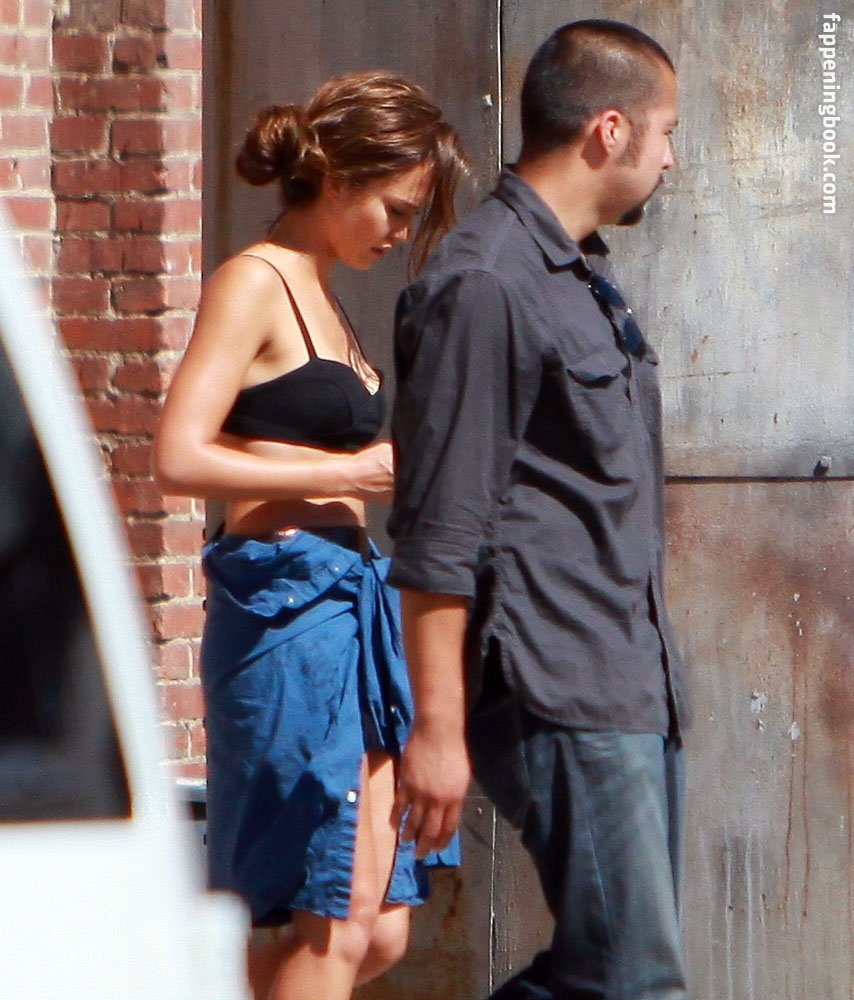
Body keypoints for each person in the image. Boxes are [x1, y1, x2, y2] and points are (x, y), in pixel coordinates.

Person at [388, 20, 691, 1000]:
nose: (670, 158)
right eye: (665, 132)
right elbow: (438, 525)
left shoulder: (578, 271)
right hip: (556, 680)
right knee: (632, 981)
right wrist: (438, 728)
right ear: (609, 130)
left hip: (624, 676)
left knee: (606, 976)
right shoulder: (485, 283)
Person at [154, 71, 468, 1000]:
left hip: (352, 608)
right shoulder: (253, 282)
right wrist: (344, 476)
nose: (400, 232)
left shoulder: (326, 296)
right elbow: (178, 455)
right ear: (335, 178)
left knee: (381, 929)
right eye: (395, 208)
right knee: (331, 913)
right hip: (288, 607)